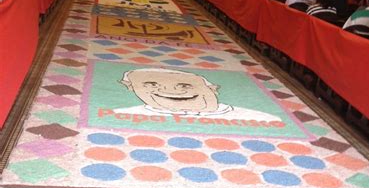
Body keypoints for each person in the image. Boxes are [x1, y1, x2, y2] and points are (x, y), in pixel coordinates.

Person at [113, 68, 281, 121]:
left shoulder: (261, 118)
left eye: (185, 85)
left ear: (213, 88)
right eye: (151, 84)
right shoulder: (126, 114)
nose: (171, 91)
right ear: (132, 89)